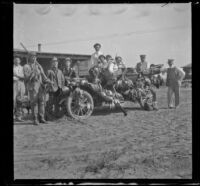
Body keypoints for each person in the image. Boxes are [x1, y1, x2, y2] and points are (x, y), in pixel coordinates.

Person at [23, 52, 52, 125]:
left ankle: (41, 118)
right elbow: (26, 79)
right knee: (34, 103)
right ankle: (35, 119)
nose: (34, 58)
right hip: (32, 86)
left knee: (42, 102)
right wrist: (32, 72)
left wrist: (49, 81)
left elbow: (43, 76)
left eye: (35, 56)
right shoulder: (26, 66)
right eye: (32, 56)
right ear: (29, 58)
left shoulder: (39, 66)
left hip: (40, 86)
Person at [13, 57, 26, 122]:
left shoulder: (22, 68)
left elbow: (24, 76)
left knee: (20, 100)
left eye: (18, 60)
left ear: (20, 61)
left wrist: (16, 75)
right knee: (13, 100)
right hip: (14, 83)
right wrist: (19, 76)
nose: (16, 61)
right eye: (15, 60)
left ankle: (19, 116)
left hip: (21, 83)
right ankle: (14, 116)